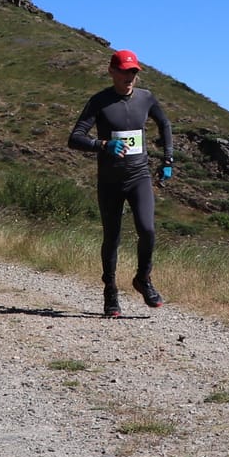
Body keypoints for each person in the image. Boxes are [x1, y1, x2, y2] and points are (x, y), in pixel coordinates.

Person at [68, 49, 173, 316]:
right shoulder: (100, 101)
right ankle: (110, 291)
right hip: (110, 181)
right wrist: (102, 144)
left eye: (133, 72)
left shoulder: (145, 98)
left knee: (147, 230)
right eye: (124, 71)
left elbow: (165, 123)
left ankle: (143, 279)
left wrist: (168, 160)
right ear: (112, 71)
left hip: (139, 176)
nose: (129, 77)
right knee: (112, 238)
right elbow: (75, 137)